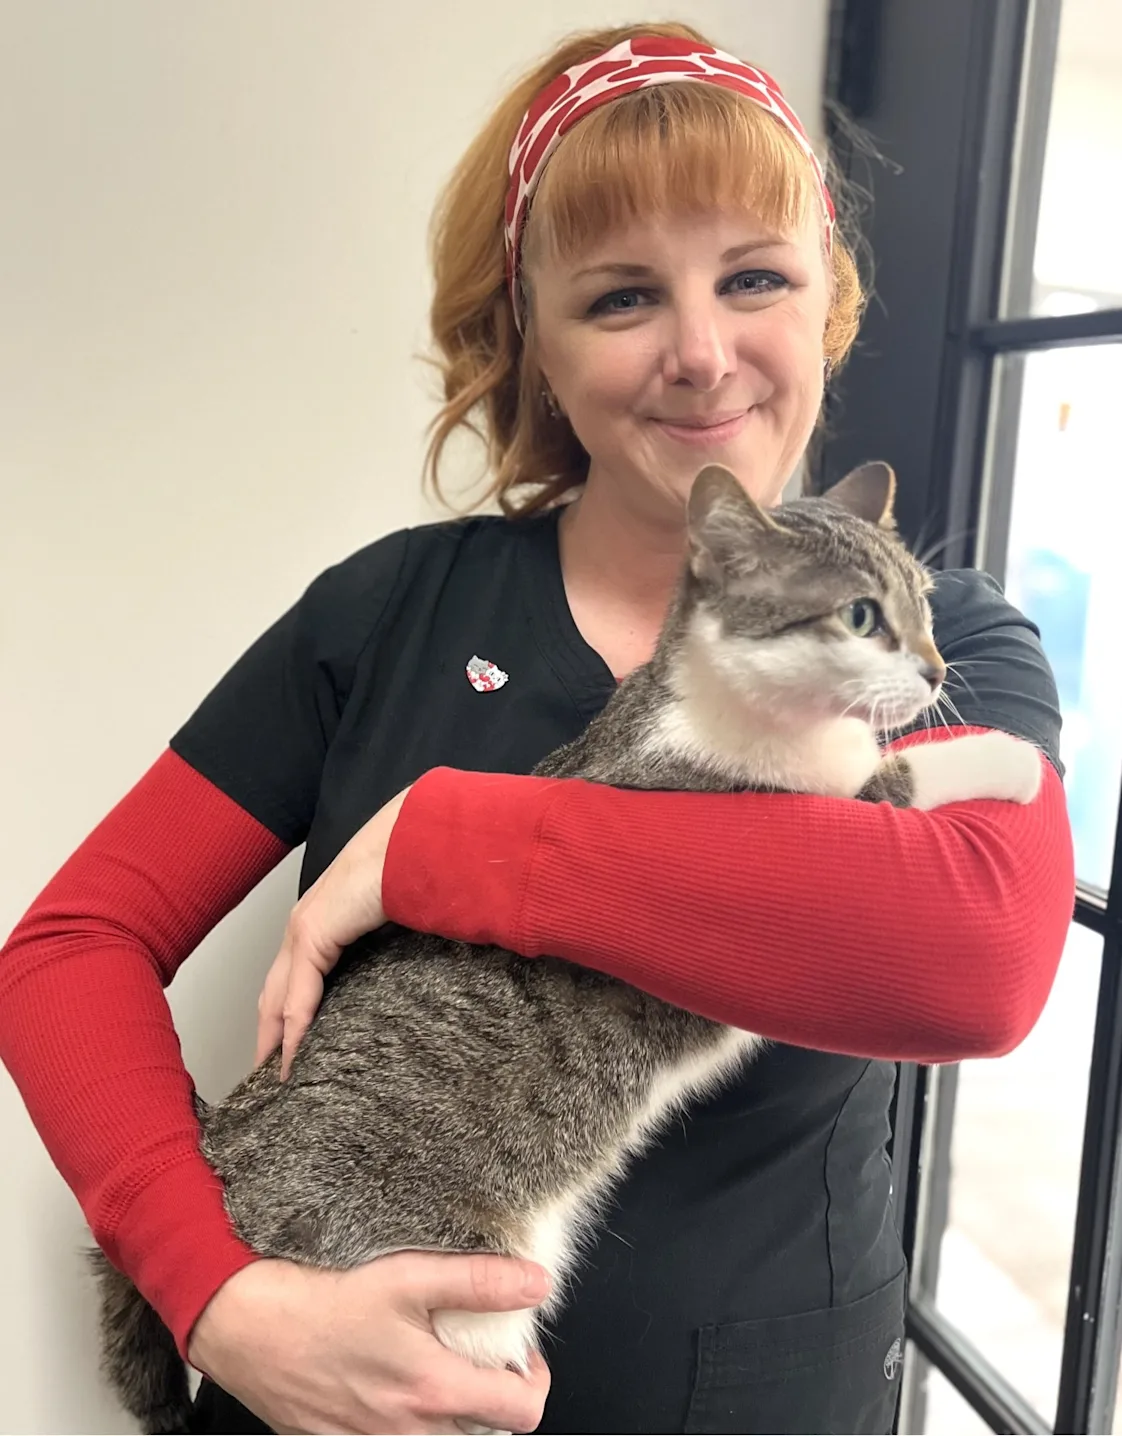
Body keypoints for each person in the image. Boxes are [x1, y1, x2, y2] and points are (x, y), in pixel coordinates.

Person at [0, 20, 1074, 1436]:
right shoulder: (385, 608)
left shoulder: (947, 640)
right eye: (621, 299)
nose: (701, 355)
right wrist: (215, 1299)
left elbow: (980, 968)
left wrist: (451, 838)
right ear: (530, 347)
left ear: (826, 301)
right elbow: (70, 948)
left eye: (753, 277)